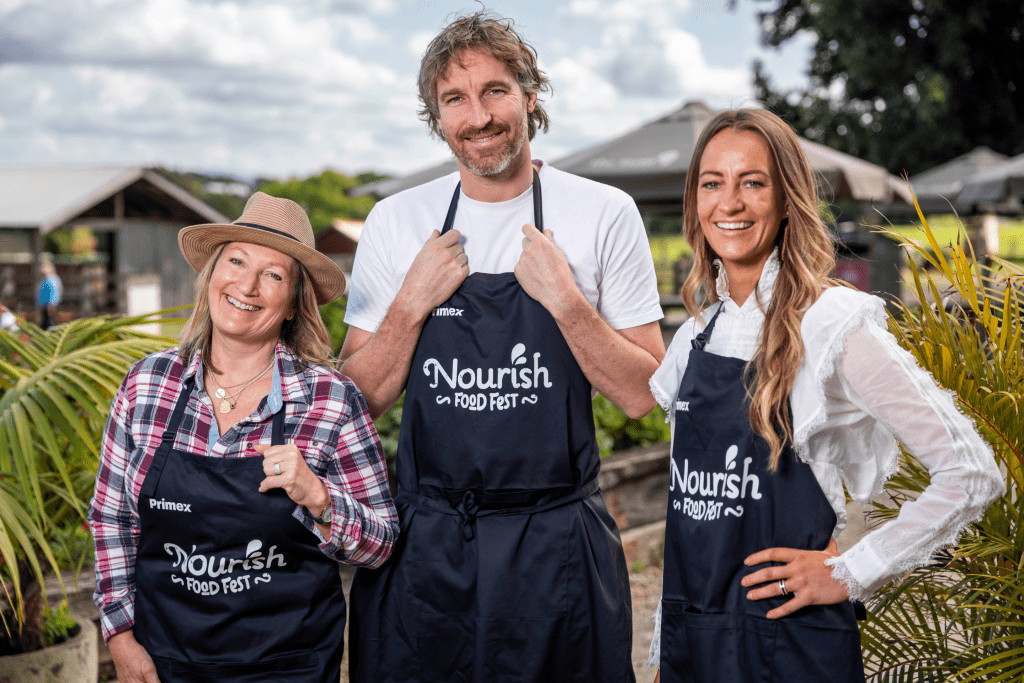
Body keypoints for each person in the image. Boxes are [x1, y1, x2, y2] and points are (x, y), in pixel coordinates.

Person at [341, 11, 665, 682]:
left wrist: (567, 301)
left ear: (529, 96)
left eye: (494, 91)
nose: (478, 115)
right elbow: (357, 402)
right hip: (430, 547)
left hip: (557, 546)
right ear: (436, 117)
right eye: (454, 99)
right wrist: (410, 302)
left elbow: (642, 394)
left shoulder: (602, 212)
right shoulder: (396, 222)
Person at [647, 109, 1005, 682]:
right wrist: (668, 653)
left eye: (753, 183)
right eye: (712, 183)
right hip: (697, 646)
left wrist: (849, 570)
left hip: (790, 650)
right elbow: (690, 520)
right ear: (695, 202)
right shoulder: (693, 338)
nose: (729, 203)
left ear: (787, 199)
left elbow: (971, 470)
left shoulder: (832, 323)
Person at [89, 192, 398, 683]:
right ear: (212, 274)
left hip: (285, 667)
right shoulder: (147, 384)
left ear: (296, 303)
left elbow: (379, 544)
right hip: (163, 661)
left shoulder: (330, 400)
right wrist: (121, 640)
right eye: (235, 261)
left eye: (273, 274)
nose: (247, 285)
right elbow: (112, 521)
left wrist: (318, 498)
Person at [37, 257, 62, 329]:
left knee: (50, 325)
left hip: (50, 307)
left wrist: (51, 305)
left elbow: (53, 293)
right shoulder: (47, 278)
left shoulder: (51, 279)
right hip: (45, 306)